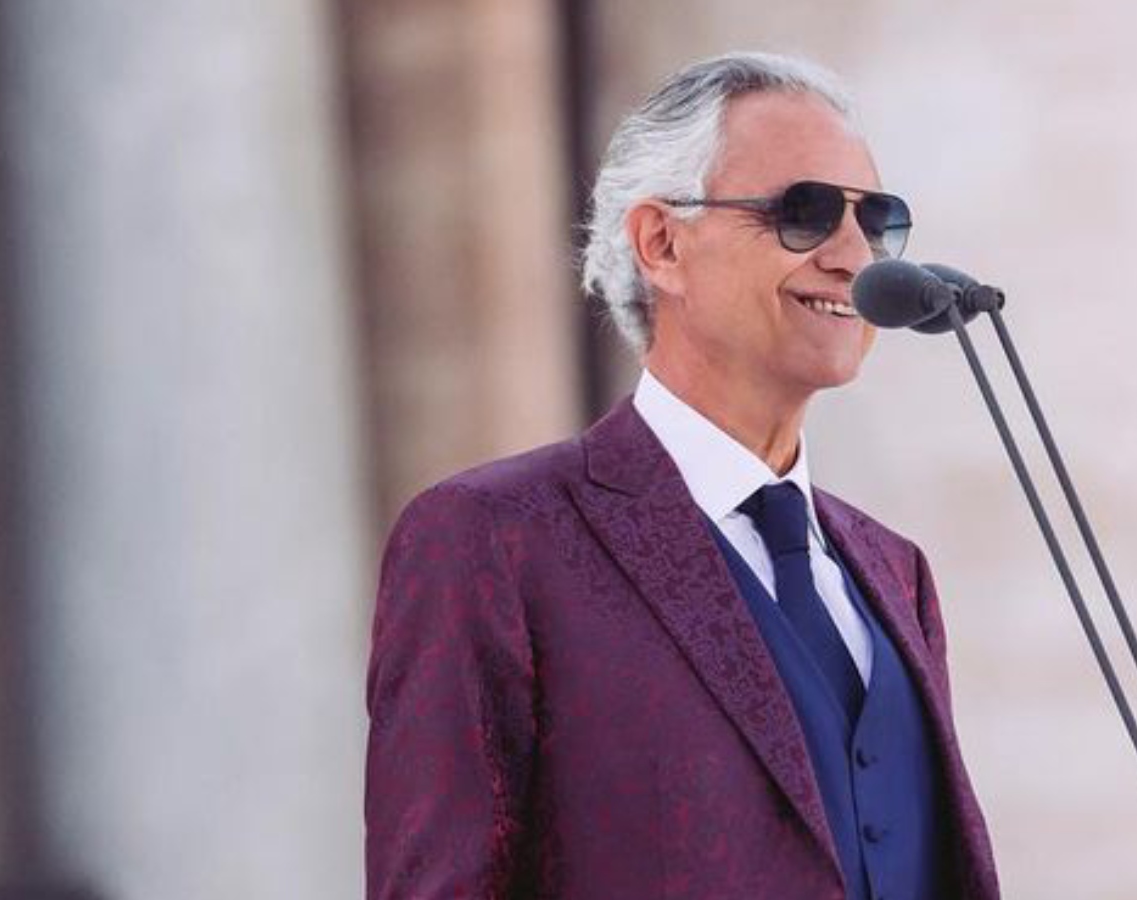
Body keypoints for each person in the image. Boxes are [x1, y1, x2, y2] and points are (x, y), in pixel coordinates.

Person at [364, 51, 1000, 900]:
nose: (857, 259)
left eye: (876, 220)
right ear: (661, 244)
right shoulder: (492, 540)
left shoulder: (895, 571)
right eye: (803, 213)